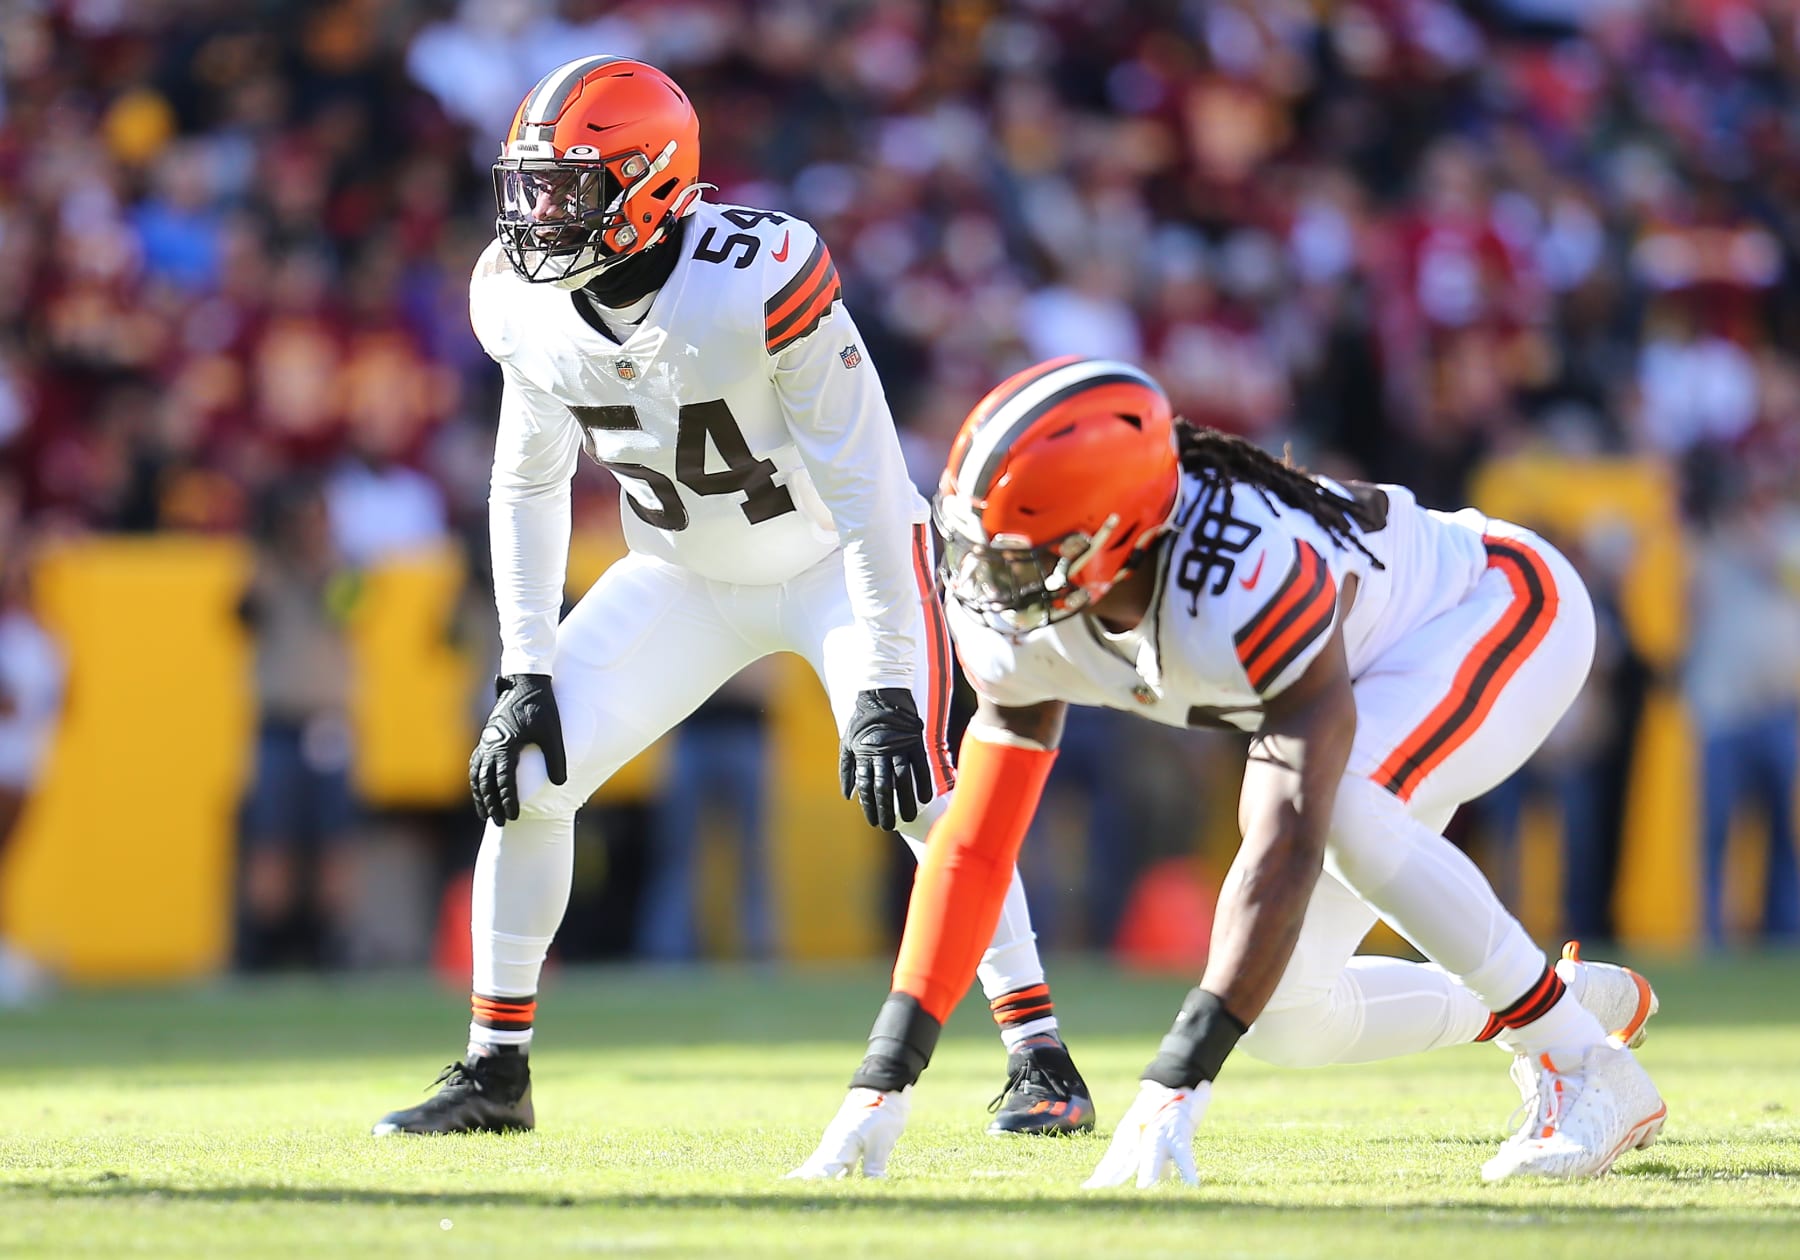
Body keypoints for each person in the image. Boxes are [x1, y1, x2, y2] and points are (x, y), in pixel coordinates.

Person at [374, 57, 1087, 1137]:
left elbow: (866, 487)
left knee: (926, 787)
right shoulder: (520, 299)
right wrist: (524, 667)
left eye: (565, 189)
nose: (535, 217)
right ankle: (495, 1071)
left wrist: (890, 680)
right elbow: (526, 478)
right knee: (528, 771)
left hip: (830, 565)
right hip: (681, 569)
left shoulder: (757, 271)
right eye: (529, 187)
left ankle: (1043, 1058)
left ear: (649, 183)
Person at [792, 357, 1665, 1185]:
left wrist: (1177, 1079)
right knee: (1291, 1018)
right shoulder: (1024, 614)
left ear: (1113, 538)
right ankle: (1556, 1004)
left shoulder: (1239, 575)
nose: (983, 578)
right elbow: (974, 848)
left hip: (1493, 608)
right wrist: (884, 1078)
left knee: (1349, 811)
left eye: (1020, 551)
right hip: (1365, 677)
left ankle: (1583, 1064)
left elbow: (1285, 837)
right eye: (978, 541)